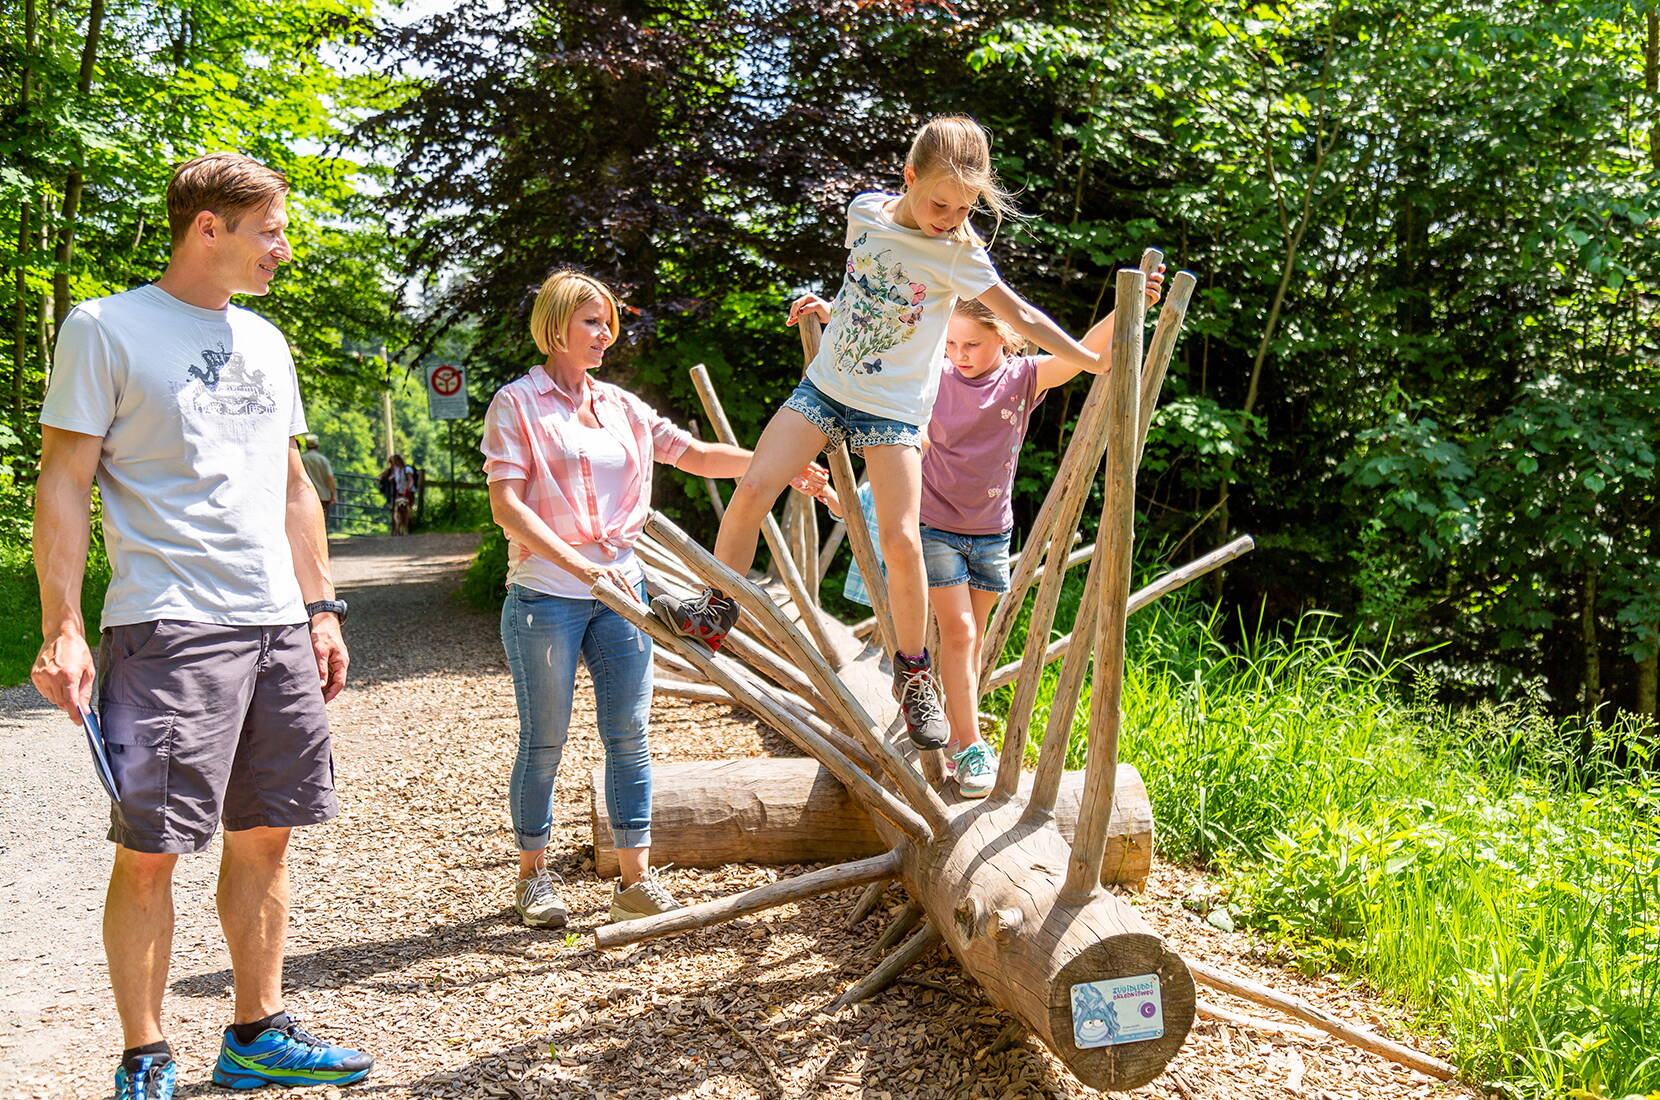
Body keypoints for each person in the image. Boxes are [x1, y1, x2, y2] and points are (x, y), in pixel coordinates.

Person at [29, 152, 371, 1099]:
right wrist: (62, 624)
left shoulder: (265, 340)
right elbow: (62, 483)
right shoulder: (106, 328)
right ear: (206, 230)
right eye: (269, 230)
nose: (283, 248)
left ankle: (255, 1032)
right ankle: (144, 1053)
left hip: (275, 626)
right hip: (170, 625)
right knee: (152, 847)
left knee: (268, 834)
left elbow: (294, 486)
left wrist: (321, 605)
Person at [653, 114, 1111, 751]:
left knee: (900, 538)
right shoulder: (864, 211)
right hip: (826, 388)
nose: (947, 217)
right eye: (938, 202)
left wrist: (1087, 361)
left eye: (963, 208)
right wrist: (831, 308)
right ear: (909, 178)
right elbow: (878, 296)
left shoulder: (963, 257)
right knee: (755, 485)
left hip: (893, 412)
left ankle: (914, 676)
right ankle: (715, 612)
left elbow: (1022, 315)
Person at [481, 269, 824, 930]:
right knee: (545, 739)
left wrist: (775, 464)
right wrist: (584, 567)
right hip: (544, 596)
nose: (606, 335)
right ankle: (533, 878)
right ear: (554, 327)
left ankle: (635, 881)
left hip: (623, 595)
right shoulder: (516, 404)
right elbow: (508, 509)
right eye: (591, 323)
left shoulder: (620, 406)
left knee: (630, 735)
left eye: (608, 322)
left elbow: (692, 454)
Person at [796, 283, 1163, 797]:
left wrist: (1131, 307)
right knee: (961, 631)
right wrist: (835, 317)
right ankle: (968, 747)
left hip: (992, 532)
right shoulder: (932, 375)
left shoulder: (1023, 377)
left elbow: (1083, 354)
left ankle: (947, 716)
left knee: (971, 644)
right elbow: (885, 347)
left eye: (971, 345)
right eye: (950, 344)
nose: (958, 355)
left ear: (1004, 338)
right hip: (934, 524)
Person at [299, 434, 337, 531]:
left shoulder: (302, 459)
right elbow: (330, 477)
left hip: (306, 496)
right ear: (317, 445)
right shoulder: (322, 460)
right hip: (324, 496)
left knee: (308, 522)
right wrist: (333, 494)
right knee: (323, 521)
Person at [381, 454, 415, 535]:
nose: (394, 464)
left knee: (407, 511)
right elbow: (393, 475)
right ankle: (399, 529)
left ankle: (408, 528)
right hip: (399, 492)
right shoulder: (397, 470)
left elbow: (410, 480)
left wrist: (408, 488)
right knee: (398, 510)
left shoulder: (407, 469)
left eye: (394, 462)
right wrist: (390, 478)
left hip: (407, 492)